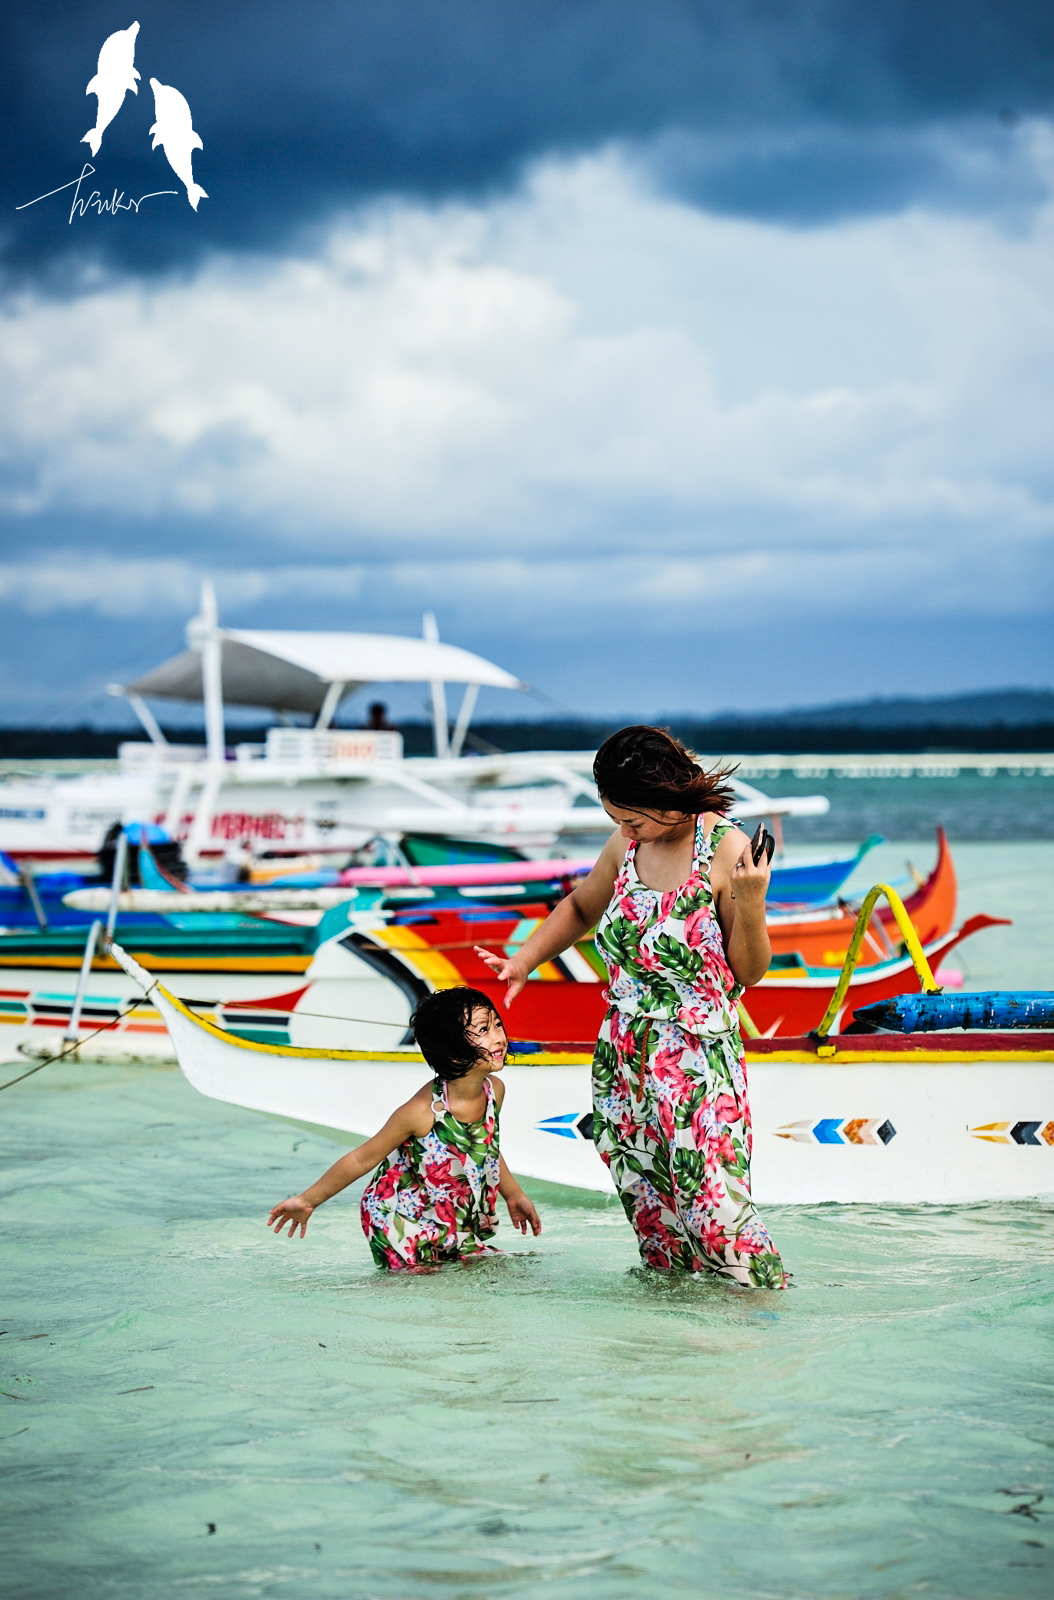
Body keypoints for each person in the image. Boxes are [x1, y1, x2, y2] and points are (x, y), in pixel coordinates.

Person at [476, 725, 785, 1290]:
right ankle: (671, 1344)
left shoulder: (727, 851)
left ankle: (764, 1320)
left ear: (667, 795)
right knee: (655, 1222)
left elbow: (749, 971)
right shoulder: (629, 845)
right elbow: (580, 907)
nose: (623, 830)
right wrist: (524, 961)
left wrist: (755, 902)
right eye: (617, 819)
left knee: (716, 1212)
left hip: (696, 1062)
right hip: (622, 1058)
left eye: (632, 817)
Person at [267, 987, 542, 1270]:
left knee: (488, 1271)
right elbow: (362, 1158)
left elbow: (486, 1148)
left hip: (447, 1213)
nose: (498, 1036)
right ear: (450, 1049)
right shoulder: (421, 1113)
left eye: (497, 1024)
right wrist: (307, 1201)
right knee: (422, 1283)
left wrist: (514, 1194)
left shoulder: (494, 1091)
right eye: (483, 1029)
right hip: (399, 1215)